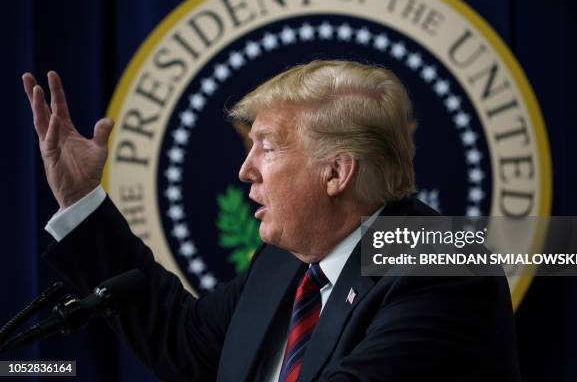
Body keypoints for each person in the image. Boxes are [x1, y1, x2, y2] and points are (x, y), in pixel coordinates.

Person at [23, 60, 521, 381]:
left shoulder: (444, 267)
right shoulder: (284, 261)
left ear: (336, 172)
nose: (246, 170)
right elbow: (184, 341)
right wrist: (83, 198)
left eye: (267, 147)